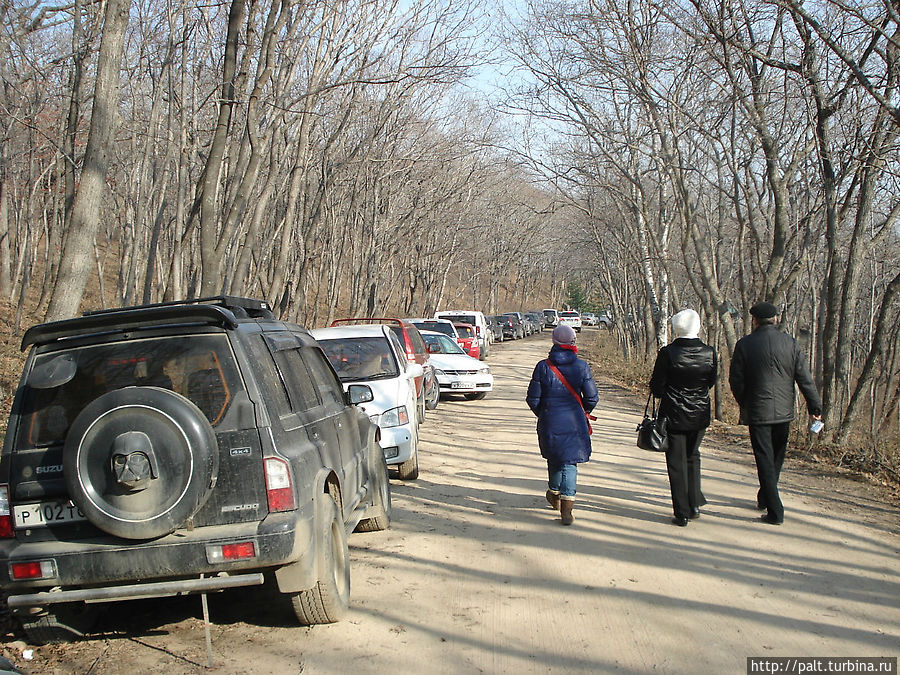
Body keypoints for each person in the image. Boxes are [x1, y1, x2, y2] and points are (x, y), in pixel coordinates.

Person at [729, 302, 823, 525]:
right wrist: (815, 408)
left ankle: (775, 510)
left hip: (758, 411)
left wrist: (745, 402)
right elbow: (804, 379)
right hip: (783, 411)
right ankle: (766, 497)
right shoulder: (790, 343)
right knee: (776, 457)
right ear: (776, 319)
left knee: (764, 458)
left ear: (754, 321)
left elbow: (736, 380)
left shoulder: (745, 345)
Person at [649, 309, 717, 527]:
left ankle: (682, 512)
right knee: (693, 456)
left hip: (673, 414)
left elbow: (657, 387)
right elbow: (711, 381)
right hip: (700, 413)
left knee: (676, 462)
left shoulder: (668, 353)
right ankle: (694, 504)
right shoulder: (709, 352)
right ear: (698, 327)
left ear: (676, 328)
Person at [526, 324, 599, 525]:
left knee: (554, 457)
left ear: (554, 342)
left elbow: (532, 398)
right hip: (575, 422)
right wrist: (583, 411)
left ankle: (554, 493)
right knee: (570, 462)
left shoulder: (543, 367)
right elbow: (592, 397)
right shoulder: (582, 367)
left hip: (550, 421)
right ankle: (567, 509)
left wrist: (545, 413)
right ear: (573, 342)